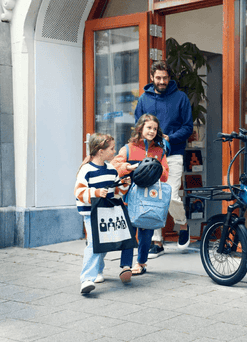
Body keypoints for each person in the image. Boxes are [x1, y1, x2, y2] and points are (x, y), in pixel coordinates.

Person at [134, 60, 194, 256]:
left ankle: (182, 225)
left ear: (170, 78)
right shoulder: (144, 99)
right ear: (152, 78)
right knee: (153, 196)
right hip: (150, 154)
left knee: (171, 196)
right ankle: (156, 241)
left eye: (165, 78)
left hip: (174, 153)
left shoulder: (181, 98)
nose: (161, 81)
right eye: (158, 78)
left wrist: (170, 137)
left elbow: (188, 127)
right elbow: (138, 124)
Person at [111, 114, 170, 275]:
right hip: (129, 198)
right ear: (140, 128)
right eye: (149, 127)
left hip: (149, 199)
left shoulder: (159, 151)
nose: (151, 131)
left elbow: (165, 175)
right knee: (128, 232)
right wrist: (128, 168)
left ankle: (142, 263)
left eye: (155, 129)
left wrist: (155, 168)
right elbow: (114, 166)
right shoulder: (128, 148)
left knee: (146, 231)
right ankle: (125, 266)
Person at [74, 133, 131, 294]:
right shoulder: (86, 170)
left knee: (102, 244)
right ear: (100, 151)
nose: (114, 152)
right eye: (112, 149)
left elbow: (116, 193)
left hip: (107, 213)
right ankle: (86, 279)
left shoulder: (112, 170)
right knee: (94, 244)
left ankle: (98, 271)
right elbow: (78, 192)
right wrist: (96, 192)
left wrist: (124, 185)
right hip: (91, 214)